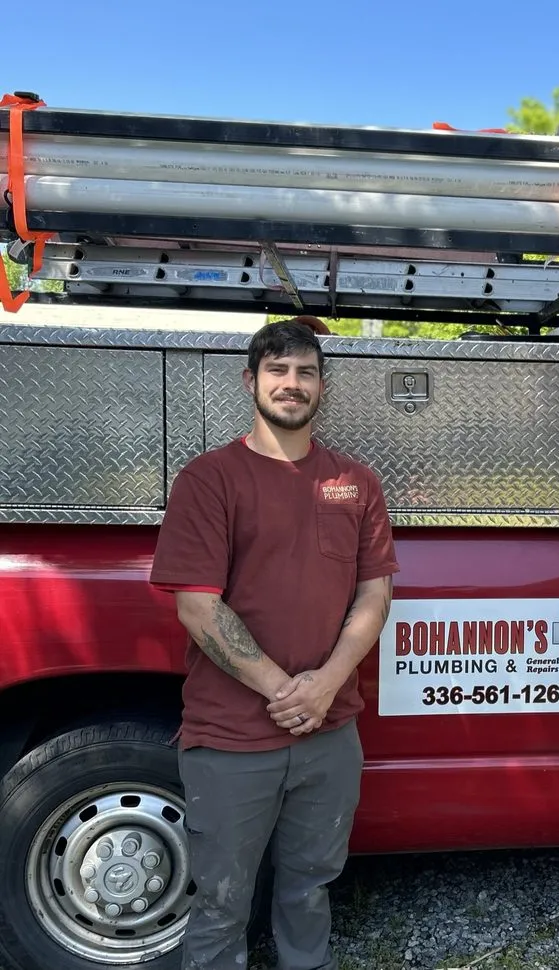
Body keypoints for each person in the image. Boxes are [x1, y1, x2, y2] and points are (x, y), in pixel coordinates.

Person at [150, 316, 399, 970]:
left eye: (306, 371)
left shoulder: (357, 482)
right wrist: (286, 693)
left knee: (310, 890)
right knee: (221, 904)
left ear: (324, 387)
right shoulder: (209, 480)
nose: (292, 383)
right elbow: (199, 607)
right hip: (232, 740)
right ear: (251, 381)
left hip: (329, 736)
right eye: (278, 370)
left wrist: (324, 687)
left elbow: (374, 595)